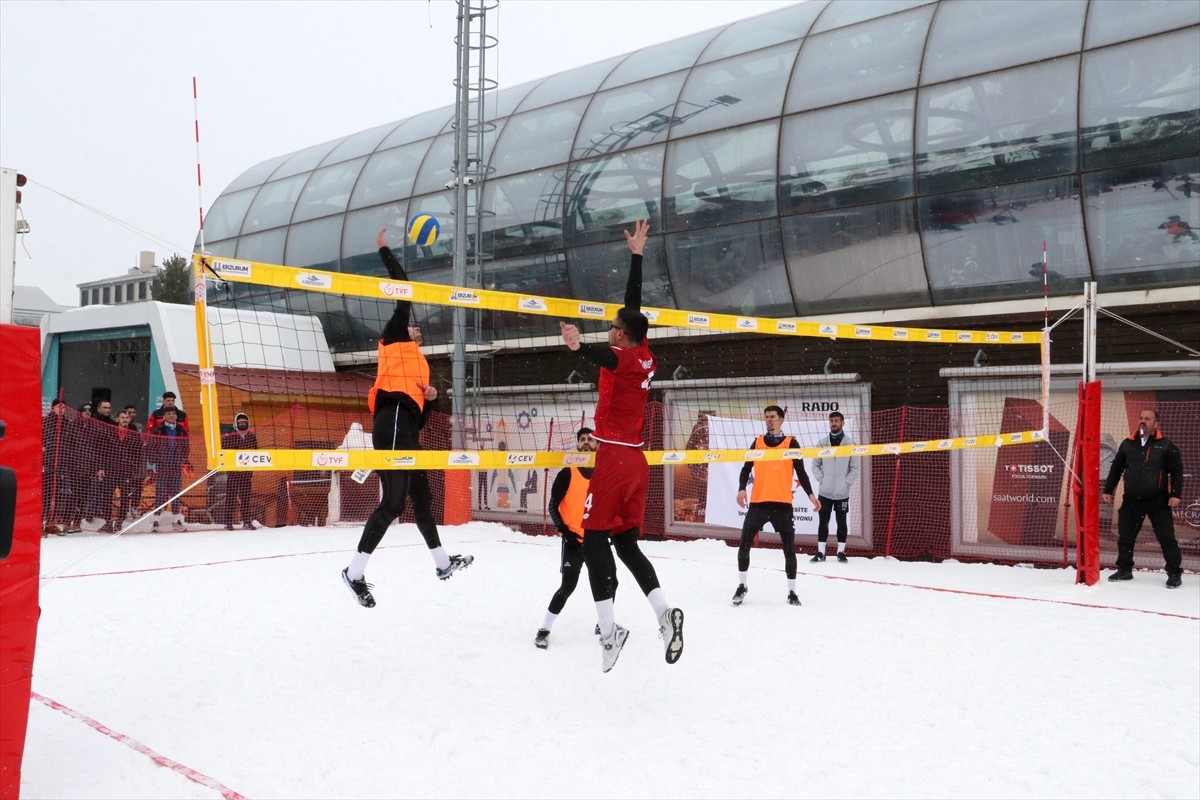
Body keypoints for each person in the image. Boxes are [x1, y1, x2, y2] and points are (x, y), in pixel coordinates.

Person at [560, 218, 684, 672]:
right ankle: (664, 615)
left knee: (593, 538)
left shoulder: (623, 356)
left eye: (611, 326)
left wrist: (577, 347)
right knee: (626, 543)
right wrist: (637, 256)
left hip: (613, 457)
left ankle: (610, 633)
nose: (610, 327)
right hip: (637, 460)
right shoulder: (644, 348)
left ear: (618, 335)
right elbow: (632, 308)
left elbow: (604, 353)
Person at [340, 227, 473, 608]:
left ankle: (442, 563)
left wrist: (431, 398)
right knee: (394, 504)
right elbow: (404, 287)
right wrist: (384, 250)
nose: (417, 328)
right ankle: (354, 573)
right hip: (391, 417)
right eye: (415, 324)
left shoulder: (424, 366)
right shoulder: (394, 339)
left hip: (406, 425)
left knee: (423, 500)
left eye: (418, 328)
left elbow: (423, 418)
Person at [732, 405, 819, 607]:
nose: (769, 420)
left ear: (781, 420)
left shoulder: (791, 443)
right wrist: (741, 489)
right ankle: (742, 586)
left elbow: (802, 472)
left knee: (789, 550)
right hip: (758, 503)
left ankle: (792, 592)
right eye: (766, 417)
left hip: (782, 505)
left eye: (772, 417)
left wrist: (811, 495)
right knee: (744, 546)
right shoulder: (758, 442)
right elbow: (746, 468)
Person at [1102, 409, 1184, 588]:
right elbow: (1116, 468)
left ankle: (1174, 572)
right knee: (1125, 537)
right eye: (1140, 418)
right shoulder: (1127, 444)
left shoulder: (1166, 445)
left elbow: (1177, 471)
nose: (1142, 421)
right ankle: (1124, 570)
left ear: (1156, 424)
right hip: (1131, 500)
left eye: (1147, 419)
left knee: (1166, 537)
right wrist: (1108, 490)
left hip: (1158, 500)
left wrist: (1175, 494)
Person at [534, 428, 598, 649]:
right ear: (577, 446)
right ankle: (544, 629)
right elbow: (553, 505)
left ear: (597, 444)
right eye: (582, 440)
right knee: (567, 587)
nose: (586, 442)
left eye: (590, 439)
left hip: (596, 540)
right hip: (573, 541)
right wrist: (564, 531)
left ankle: (604, 624)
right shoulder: (568, 472)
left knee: (610, 582)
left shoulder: (603, 471)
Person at [811, 411, 860, 564]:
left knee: (841, 521)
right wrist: (822, 480)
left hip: (842, 492)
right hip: (824, 492)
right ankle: (821, 552)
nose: (834, 423)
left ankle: (841, 552)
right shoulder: (822, 443)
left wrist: (846, 483)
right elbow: (815, 465)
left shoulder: (850, 444)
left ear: (842, 423)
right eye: (832, 420)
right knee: (823, 522)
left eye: (837, 421)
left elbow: (855, 468)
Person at [148, 408, 191, 531]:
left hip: (176, 467)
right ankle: (156, 521)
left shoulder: (181, 431)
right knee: (160, 494)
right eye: (168, 414)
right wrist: (153, 461)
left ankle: (176, 521)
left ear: (176, 416)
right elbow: (151, 447)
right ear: (164, 416)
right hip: (162, 467)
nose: (171, 416)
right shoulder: (158, 430)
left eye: (173, 414)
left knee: (176, 494)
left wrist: (183, 459)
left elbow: (186, 447)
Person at [220, 412, 258, 530]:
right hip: (233, 473)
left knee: (245, 498)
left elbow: (255, 453)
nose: (242, 424)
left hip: (246, 473)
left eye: (244, 422)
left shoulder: (252, 437)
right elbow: (225, 453)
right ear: (236, 424)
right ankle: (228, 522)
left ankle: (246, 521)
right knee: (231, 498)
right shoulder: (229, 437)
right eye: (240, 422)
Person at [112, 409, 146, 528]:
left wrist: (134, 469)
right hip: (111, 469)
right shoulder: (110, 431)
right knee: (106, 496)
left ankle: (119, 522)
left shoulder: (134, 434)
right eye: (122, 418)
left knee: (125, 497)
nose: (125, 420)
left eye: (127, 418)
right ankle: (107, 521)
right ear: (117, 419)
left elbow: (138, 453)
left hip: (127, 470)